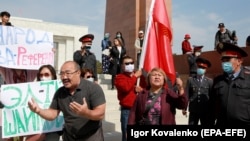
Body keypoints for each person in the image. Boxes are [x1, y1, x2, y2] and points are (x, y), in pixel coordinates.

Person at [28, 61, 106, 140]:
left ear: (78, 73)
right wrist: (38, 110)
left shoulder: (93, 88)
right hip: (70, 137)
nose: (64, 77)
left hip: (91, 137)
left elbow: (100, 114)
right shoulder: (60, 92)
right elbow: (52, 114)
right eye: (62, 74)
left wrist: (86, 112)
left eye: (68, 73)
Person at [210, 42, 250, 126]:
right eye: (223, 60)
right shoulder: (218, 80)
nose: (224, 63)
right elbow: (212, 106)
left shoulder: (248, 78)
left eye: (227, 60)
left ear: (239, 61)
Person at [25, 64, 62, 141]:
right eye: (41, 75)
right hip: (37, 128)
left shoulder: (60, 90)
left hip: (54, 128)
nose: (43, 77)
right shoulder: (33, 90)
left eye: (46, 74)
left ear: (53, 76)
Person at [115, 56, 142, 141]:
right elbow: (126, 87)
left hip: (140, 110)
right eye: (127, 63)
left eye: (131, 63)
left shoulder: (140, 76)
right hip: (127, 111)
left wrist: (141, 90)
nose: (130, 65)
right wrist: (135, 77)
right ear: (122, 65)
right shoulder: (119, 77)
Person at [183, 57, 213, 125]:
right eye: (199, 67)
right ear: (196, 67)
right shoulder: (190, 80)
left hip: (205, 110)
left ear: (206, 69)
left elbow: (212, 97)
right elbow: (187, 94)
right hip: (193, 110)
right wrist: (184, 107)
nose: (201, 69)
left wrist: (212, 111)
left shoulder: (209, 81)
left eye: (203, 68)